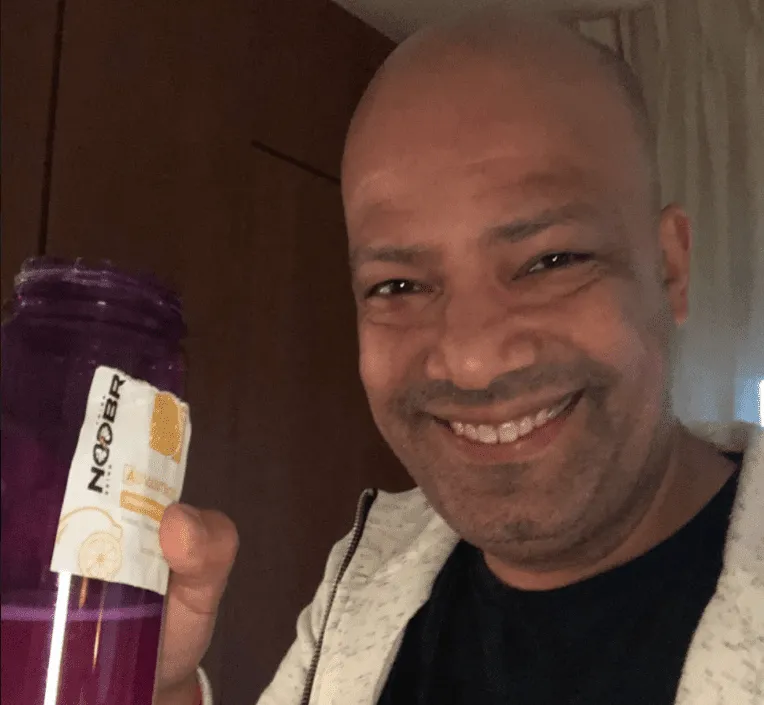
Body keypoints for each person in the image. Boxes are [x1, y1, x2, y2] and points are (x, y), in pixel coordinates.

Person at [154, 11, 764, 705]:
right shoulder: (369, 568)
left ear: (670, 267)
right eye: (398, 285)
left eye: (550, 261)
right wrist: (164, 688)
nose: (473, 360)